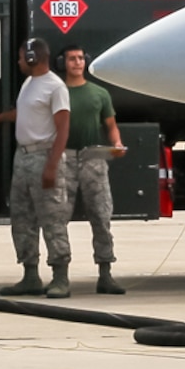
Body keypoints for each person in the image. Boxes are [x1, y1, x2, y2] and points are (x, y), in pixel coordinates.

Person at [0, 37, 73, 298]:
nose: (19, 61)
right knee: (22, 218)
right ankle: (30, 274)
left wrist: (52, 166)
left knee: (52, 218)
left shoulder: (55, 87)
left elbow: (63, 128)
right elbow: (24, 113)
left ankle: (60, 277)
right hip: (22, 158)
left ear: (34, 58)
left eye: (22, 56)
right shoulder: (30, 84)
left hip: (44, 155)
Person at [59, 43, 128, 295]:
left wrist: (116, 143)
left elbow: (110, 124)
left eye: (80, 58)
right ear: (62, 63)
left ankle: (106, 273)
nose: (77, 63)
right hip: (63, 158)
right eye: (71, 59)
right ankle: (60, 275)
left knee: (101, 215)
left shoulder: (99, 93)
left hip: (93, 158)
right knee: (58, 217)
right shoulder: (57, 92)